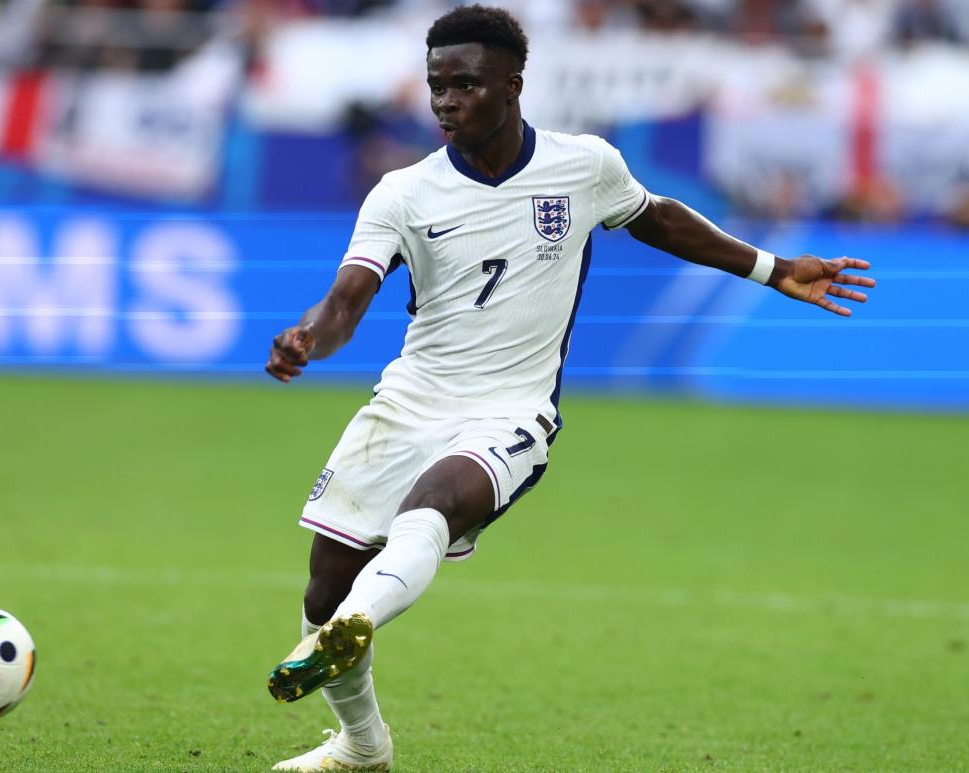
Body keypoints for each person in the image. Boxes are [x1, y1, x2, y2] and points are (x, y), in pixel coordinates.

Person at [262, 5, 875, 771]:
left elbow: (657, 218)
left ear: (512, 86)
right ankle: (361, 743)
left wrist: (772, 266)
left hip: (512, 410)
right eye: (436, 87)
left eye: (465, 84)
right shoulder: (402, 193)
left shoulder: (582, 165)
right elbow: (347, 297)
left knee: (437, 506)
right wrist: (308, 338)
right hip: (411, 401)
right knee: (322, 590)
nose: (447, 102)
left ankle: (359, 622)